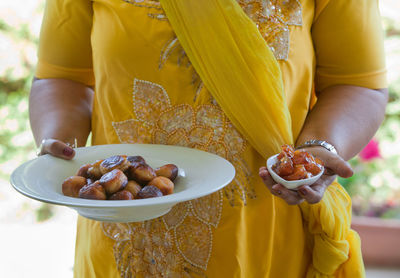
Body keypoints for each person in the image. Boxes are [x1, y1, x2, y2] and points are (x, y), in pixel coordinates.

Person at [30, 0, 388, 277]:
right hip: (124, 232)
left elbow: (355, 82)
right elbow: (64, 76)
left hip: (264, 230)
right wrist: (60, 145)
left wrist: (316, 150)